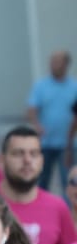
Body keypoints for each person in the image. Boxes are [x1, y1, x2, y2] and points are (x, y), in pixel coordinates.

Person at [0, 127, 77, 244]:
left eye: (34, 154)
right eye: (18, 154)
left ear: (42, 161)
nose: (27, 160)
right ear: (2, 160)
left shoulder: (57, 207)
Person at [24, 51, 77, 189]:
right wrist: (37, 125)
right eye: (52, 62)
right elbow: (31, 109)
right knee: (42, 180)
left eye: (58, 62)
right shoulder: (41, 85)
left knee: (69, 181)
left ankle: (69, 209)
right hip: (45, 142)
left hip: (67, 144)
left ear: (66, 64)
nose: (54, 65)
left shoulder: (74, 86)